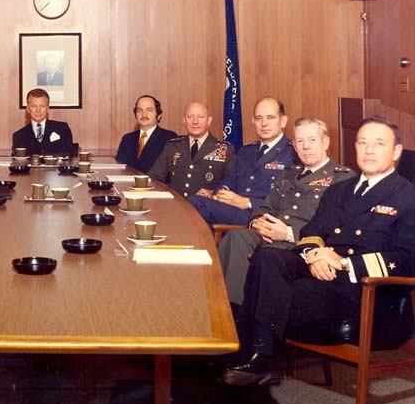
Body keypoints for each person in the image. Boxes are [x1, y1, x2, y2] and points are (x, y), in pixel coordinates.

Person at [223, 116, 415, 386]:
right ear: (355, 147)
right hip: (321, 274)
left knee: (274, 290)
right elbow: (312, 232)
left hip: (362, 289)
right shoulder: (338, 190)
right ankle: (259, 357)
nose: (369, 150)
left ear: (395, 152)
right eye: (363, 143)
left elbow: (408, 259)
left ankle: (252, 355)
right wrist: (314, 256)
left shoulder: (407, 197)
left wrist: (343, 263)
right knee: (267, 257)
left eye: (379, 144)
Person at [217, 117, 355, 304]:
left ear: (325, 143)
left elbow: (337, 229)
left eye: (312, 140)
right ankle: (222, 304)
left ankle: (237, 311)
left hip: (300, 245)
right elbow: (265, 207)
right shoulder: (289, 173)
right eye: (300, 141)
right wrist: (257, 222)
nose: (306, 146)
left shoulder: (342, 178)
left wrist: (289, 234)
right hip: (268, 236)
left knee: (259, 253)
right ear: (294, 147)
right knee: (235, 237)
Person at [187, 97, 297, 225]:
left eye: (270, 118)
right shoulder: (246, 152)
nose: (264, 123)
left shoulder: (292, 153)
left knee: (196, 203)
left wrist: (247, 202)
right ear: (253, 121)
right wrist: (219, 194)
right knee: (194, 202)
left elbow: (291, 199)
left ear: (283, 121)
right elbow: (229, 181)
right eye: (259, 118)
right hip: (235, 211)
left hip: (263, 217)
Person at [148, 101, 236, 198]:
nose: (195, 122)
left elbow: (233, 183)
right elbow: (154, 178)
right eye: (190, 117)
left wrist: (213, 193)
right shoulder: (173, 146)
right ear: (184, 120)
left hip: (205, 205)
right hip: (176, 204)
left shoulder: (224, 149)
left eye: (200, 117)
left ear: (209, 120)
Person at [115, 95, 176, 173]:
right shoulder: (127, 139)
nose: (144, 115)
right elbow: (119, 168)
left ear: (158, 115)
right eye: (139, 110)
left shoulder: (169, 138)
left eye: (149, 110)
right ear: (136, 115)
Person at [11, 88, 74, 157]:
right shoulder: (19, 136)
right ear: (28, 109)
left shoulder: (62, 128)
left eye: (42, 106)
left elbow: (72, 156)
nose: (38, 110)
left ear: (48, 109)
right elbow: (16, 161)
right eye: (34, 106)